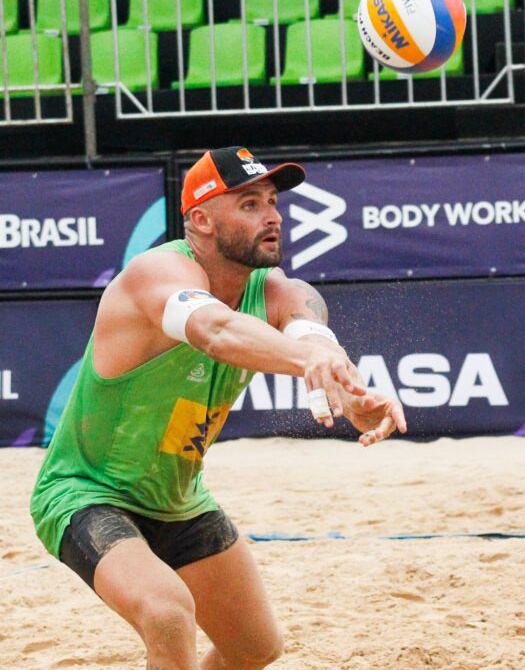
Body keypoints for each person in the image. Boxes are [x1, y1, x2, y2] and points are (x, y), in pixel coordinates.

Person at [30, 146, 407, 670]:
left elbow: (308, 324)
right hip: (87, 492)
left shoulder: (276, 289)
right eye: (249, 203)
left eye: (273, 201)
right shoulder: (155, 274)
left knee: (256, 647)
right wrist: (309, 357)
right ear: (201, 220)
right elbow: (215, 329)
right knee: (166, 613)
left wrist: (353, 393)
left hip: (179, 499)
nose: (272, 214)